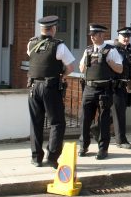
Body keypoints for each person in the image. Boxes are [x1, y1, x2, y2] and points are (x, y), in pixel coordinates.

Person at [26, 15, 75, 168]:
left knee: (36, 123)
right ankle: (52, 157)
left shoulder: (31, 43)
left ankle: (36, 157)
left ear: (41, 29)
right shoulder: (58, 46)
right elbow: (71, 67)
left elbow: (34, 59)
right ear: (53, 29)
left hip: (33, 87)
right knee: (57, 122)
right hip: (50, 87)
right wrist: (62, 75)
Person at [78, 23, 124, 159]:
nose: (92, 37)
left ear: (102, 35)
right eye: (91, 35)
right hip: (89, 88)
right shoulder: (88, 50)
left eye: (95, 35)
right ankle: (83, 146)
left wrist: (109, 62)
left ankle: (103, 149)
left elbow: (120, 69)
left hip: (104, 89)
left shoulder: (111, 51)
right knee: (85, 119)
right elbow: (81, 69)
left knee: (103, 120)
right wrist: (85, 62)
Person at [112, 26, 131, 149]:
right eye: (124, 36)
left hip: (123, 85)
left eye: (128, 36)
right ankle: (121, 140)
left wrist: (127, 86)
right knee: (119, 114)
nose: (126, 38)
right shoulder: (113, 50)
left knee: (116, 113)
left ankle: (96, 129)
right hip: (113, 86)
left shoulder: (129, 51)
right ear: (119, 36)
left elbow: (128, 71)